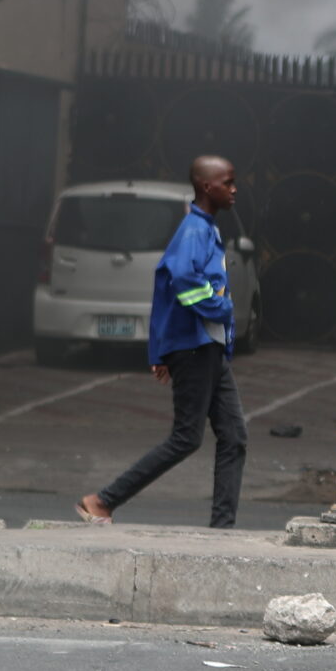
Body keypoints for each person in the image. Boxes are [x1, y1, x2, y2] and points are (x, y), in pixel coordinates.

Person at [76, 157, 247, 528]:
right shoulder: (193, 231)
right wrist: (222, 307)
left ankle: (222, 530)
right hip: (196, 350)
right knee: (187, 438)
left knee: (234, 437)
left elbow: (163, 293)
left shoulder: (206, 229)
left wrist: (160, 349)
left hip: (210, 349)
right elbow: (184, 284)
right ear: (207, 187)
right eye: (227, 182)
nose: (234, 189)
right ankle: (103, 500)